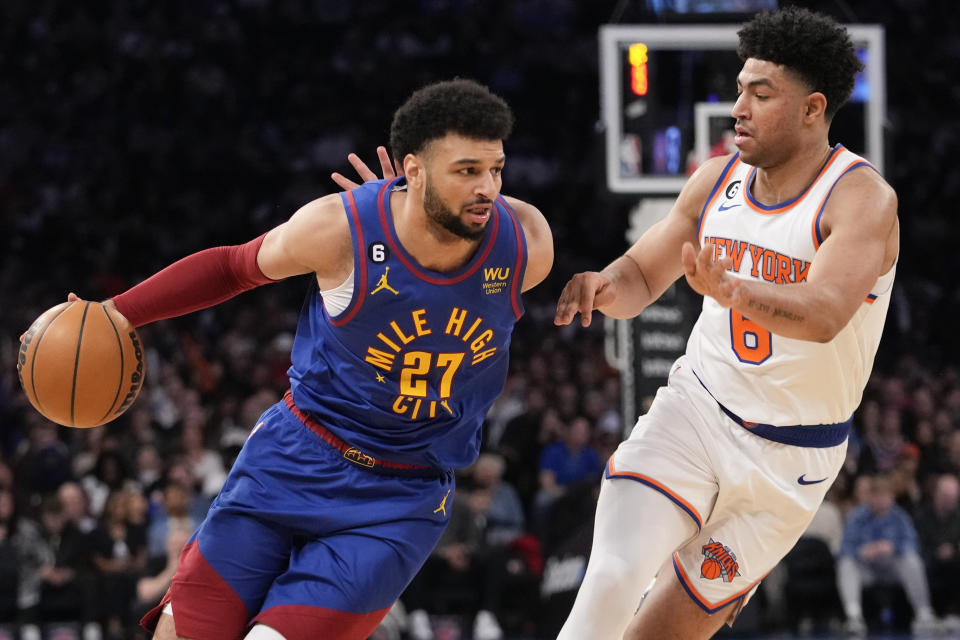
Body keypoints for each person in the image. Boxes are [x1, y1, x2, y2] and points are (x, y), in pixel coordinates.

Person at [56, 78, 552, 640]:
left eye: (497, 169)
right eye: (467, 171)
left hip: (397, 498)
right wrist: (118, 313)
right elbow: (232, 266)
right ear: (413, 172)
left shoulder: (525, 243)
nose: (488, 187)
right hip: (292, 457)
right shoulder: (339, 229)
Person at [553, 7, 899, 639]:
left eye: (759, 94)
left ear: (812, 108)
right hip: (695, 412)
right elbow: (641, 277)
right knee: (612, 576)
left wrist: (734, 291)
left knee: (657, 634)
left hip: (792, 460)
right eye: (739, 89)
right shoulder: (714, 181)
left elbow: (824, 315)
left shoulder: (859, 198)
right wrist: (602, 287)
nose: (737, 106)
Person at [836, 474, 941, 635]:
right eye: (877, 495)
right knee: (846, 564)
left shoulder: (900, 517)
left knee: (911, 561)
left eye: (885, 495)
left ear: (892, 497)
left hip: (892, 569)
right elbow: (844, 548)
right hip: (866, 569)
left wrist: (892, 547)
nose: (881, 500)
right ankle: (853, 617)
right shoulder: (857, 517)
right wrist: (863, 550)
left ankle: (923, 613)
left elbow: (912, 544)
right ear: (870, 496)